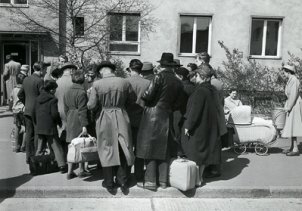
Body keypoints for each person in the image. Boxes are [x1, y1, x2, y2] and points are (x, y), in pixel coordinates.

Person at [136, 52, 185, 190]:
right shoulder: (178, 81)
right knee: (164, 149)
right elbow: (179, 103)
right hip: (167, 115)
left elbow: (147, 96)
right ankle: (163, 181)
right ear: (172, 66)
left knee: (150, 148)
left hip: (153, 115)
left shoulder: (158, 77)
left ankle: (151, 181)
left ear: (162, 65)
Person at [87, 61, 136, 194]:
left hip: (105, 117)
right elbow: (132, 100)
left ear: (102, 71)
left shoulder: (96, 84)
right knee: (124, 147)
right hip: (121, 115)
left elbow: (91, 105)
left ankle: (109, 182)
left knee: (106, 148)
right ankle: (123, 180)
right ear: (112, 70)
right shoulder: (125, 82)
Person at [181, 64, 221, 185]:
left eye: (196, 75)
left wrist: (188, 126)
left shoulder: (200, 91)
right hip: (209, 125)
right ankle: (200, 177)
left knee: (195, 152)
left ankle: (197, 179)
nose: (195, 78)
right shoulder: (212, 89)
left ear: (201, 76)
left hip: (199, 126)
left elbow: (195, 111)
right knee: (203, 154)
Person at [33, 80, 67, 173]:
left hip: (40, 126)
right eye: (55, 89)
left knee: (40, 147)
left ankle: (36, 165)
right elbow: (55, 114)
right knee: (56, 145)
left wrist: (37, 123)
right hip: (50, 126)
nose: (55, 91)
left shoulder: (37, 98)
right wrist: (59, 122)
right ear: (51, 90)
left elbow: (33, 113)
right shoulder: (53, 99)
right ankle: (62, 165)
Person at [125, 59, 150, 183]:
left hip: (127, 119)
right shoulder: (148, 83)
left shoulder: (124, 82)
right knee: (140, 148)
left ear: (130, 69)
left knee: (127, 147)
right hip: (143, 119)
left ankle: (126, 174)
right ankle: (139, 174)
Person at [64, 69, 91, 179]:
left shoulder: (67, 91)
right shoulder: (81, 92)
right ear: (82, 79)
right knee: (81, 145)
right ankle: (81, 170)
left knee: (72, 146)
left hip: (70, 118)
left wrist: (68, 117)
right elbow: (82, 110)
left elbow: (65, 108)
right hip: (79, 120)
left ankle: (70, 171)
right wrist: (84, 125)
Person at [18, 62, 45, 164]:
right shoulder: (40, 81)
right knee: (37, 133)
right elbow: (43, 96)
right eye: (45, 70)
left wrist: (27, 103)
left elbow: (20, 94)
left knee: (29, 133)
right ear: (41, 69)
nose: (45, 72)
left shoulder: (26, 79)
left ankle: (28, 157)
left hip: (28, 110)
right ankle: (36, 157)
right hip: (37, 110)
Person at [55, 62, 77, 154]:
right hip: (72, 111)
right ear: (71, 70)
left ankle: (62, 155)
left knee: (61, 133)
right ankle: (72, 155)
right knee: (73, 135)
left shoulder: (57, 82)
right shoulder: (75, 82)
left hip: (59, 110)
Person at [281, 65, 302, 156]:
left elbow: (293, 95)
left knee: (293, 126)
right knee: (291, 126)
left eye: (284, 72)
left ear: (288, 72)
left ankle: (295, 149)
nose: (283, 74)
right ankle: (292, 147)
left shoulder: (294, 80)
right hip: (292, 104)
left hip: (295, 104)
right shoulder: (290, 80)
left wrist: (288, 107)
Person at [10, 69, 28, 152]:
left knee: (17, 127)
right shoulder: (24, 90)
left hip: (16, 110)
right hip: (23, 110)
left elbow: (11, 100)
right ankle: (23, 146)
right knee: (25, 128)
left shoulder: (14, 90)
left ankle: (16, 146)